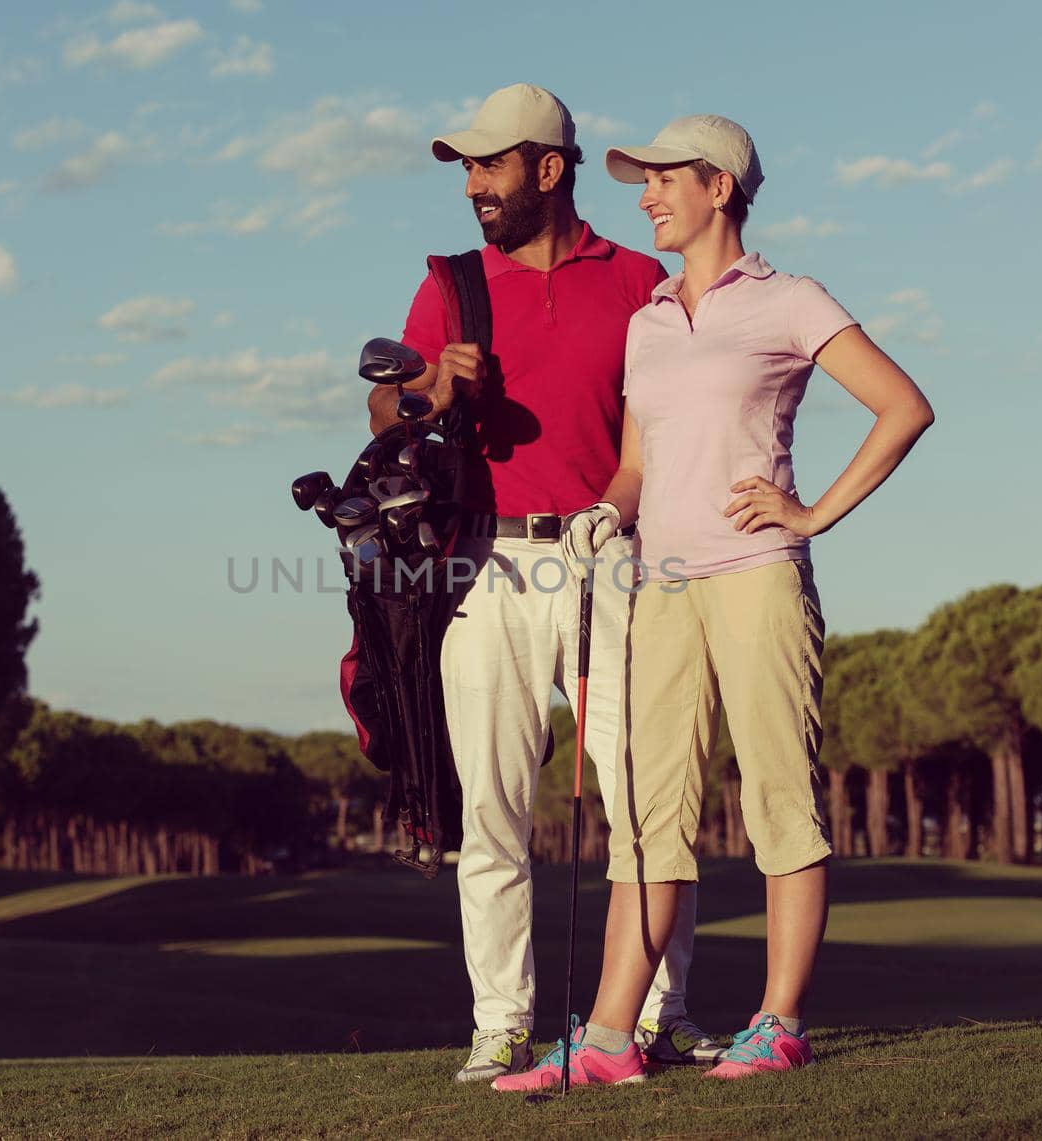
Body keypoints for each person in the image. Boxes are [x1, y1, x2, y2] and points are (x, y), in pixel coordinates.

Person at [494, 114, 935, 1091]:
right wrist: (601, 515)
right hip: (664, 588)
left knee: (780, 796)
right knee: (646, 816)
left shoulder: (787, 299)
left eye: (661, 180)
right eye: (641, 183)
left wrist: (810, 510)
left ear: (718, 188)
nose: (644, 196)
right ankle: (610, 1036)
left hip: (757, 577)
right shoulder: (648, 322)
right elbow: (638, 466)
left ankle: (778, 1022)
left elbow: (903, 406)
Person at [367, 84, 724, 1083]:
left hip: (615, 556)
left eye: (490, 165)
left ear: (550, 169)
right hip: (484, 563)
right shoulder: (450, 284)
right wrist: (434, 387)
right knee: (492, 808)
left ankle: (654, 1014)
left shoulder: (639, 283)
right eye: (467, 169)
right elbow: (383, 410)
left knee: (642, 799)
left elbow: (669, 428)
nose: (474, 184)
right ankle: (501, 1021)